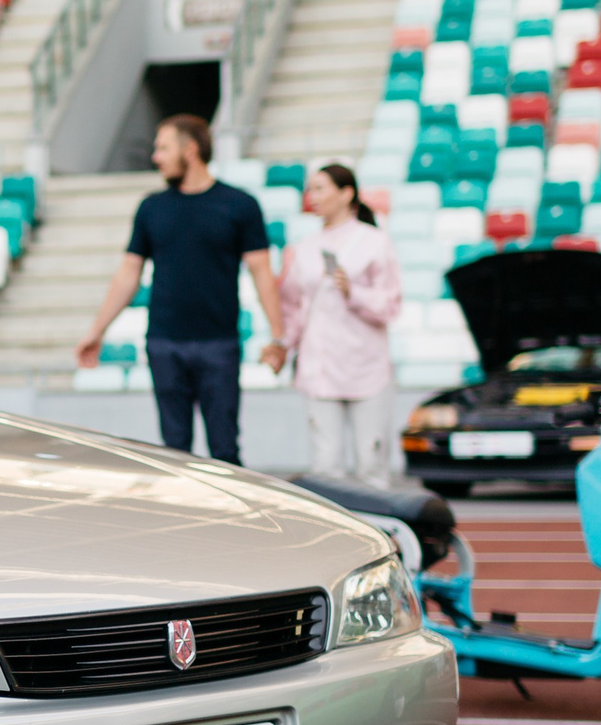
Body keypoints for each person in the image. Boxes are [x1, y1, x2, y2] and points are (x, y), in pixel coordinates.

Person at [77, 114, 284, 463]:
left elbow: (262, 272)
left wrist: (277, 337)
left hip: (219, 344)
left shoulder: (239, 205)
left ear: (190, 150)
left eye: (163, 148)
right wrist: (97, 331)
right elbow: (129, 273)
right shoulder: (151, 207)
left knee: (225, 450)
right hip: (163, 343)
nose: (155, 157)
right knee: (174, 452)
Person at [276, 163, 402, 482]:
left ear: (346, 194)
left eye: (320, 188)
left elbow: (391, 305)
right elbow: (291, 305)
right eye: (310, 189)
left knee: (371, 463)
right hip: (320, 367)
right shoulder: (304, 248)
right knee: (325, 464)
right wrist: (282, 344)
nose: (312, 196)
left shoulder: (374, 242)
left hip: (365, 366)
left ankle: (379, 531)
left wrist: (353, 292)